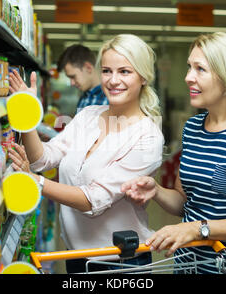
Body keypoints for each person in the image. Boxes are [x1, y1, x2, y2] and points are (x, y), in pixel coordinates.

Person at [121, 32, 226, 274]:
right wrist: (155, 190)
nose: (188, 77)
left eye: (200, 69)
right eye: (189, 67)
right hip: (189, 264)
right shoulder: (193, 128)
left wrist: (198, 229)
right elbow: (185, 202)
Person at [8, 34, 164, 273]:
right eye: (107, 71)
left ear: (143, 76)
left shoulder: (148, 137)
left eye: (124, 72)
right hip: (78, 255)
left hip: (121, 262)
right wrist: (27, 116)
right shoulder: (88, 115)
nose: (113, 80)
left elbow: (92, 200)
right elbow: (43, 158)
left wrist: (34, 182)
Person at [57, 44, 109, 114]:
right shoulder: (85, 97)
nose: (72, 83)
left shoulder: (110, 99)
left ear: (88, 68)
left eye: (73, 77)